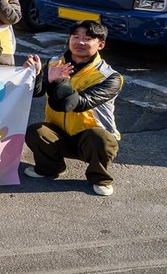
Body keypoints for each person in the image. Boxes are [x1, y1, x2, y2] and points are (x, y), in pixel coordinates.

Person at [23, 21, 124, 197]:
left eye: (87, 38)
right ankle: (50, 167)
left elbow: (77, 105)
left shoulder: (110, 77)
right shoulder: (55, 62)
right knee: (35, 131)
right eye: (76, 37)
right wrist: (37, 75)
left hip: (89, 138)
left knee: (100, 138)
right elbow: (38, 92)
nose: (80, 42)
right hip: (60, 133)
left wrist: (59, 81)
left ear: (100, 44)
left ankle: (99, 178)